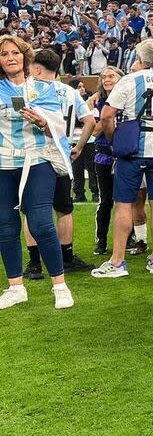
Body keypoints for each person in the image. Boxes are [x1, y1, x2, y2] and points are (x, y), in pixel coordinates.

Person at [91, 38, 153, 279]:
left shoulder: (129, 81)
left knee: (123, 203)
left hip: (133, 149)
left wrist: (113, 140)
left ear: (139, 59)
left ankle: (118, 261)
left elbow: (107, 115)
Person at [0, 36, 74, 311]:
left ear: (24, 56)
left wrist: (43, 122)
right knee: (6, 227)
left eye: (15, 52)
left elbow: (56, 125)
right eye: (4, 53)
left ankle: (60, 285)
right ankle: (16, 287)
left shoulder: (42, 89)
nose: (10, 57)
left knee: (41, 222)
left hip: (38, 160)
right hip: (4, 163)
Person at [22, 49, 94, 278]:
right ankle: (67, 257)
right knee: (64, 208)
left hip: (33, 154)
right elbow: (90, 120)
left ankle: (34, 263)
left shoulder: (28, 88)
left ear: (37, 68)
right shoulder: (70, 92)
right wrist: (79, 146)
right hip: (62, 155)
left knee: (30, 210)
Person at [91, 66, 122, 255]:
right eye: (104, 77)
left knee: (125, 200)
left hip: (125, 155)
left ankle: (130, 238)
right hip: (103, 156)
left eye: (111, 76)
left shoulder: (128, 100)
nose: (107, 80)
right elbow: (94, 130)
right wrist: (107, 115)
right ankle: (101, 241)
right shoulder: (98, 102)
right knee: (105, 201)